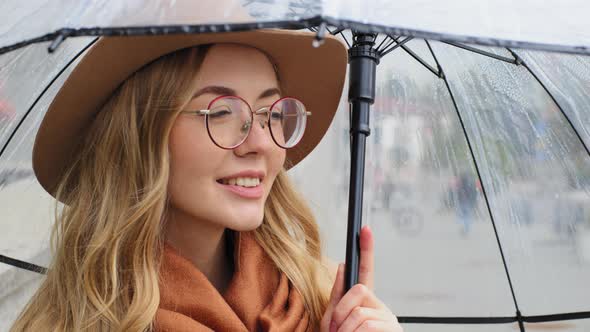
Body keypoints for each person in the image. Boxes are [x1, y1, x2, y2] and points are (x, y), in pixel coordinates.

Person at [10, 27, 402, 332]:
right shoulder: (77, 321)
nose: (261, 143)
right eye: (220, 113)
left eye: (272, 113)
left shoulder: (315, 301)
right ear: (143, 134)